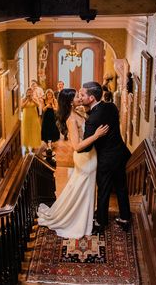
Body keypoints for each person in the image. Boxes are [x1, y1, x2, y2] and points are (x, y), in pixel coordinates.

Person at [37, 89, 109, 239]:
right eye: (77, 96)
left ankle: (85, 217)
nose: (80, 98)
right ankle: (77, 220)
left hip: (91, 155)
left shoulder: (79, 112)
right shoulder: (71, 119)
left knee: (83, 189)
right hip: (84, 157)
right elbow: (77, 146)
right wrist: (96, 135)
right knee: (81, 189)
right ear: (70, 101)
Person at [79, 81, 131, 233]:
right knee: (121, 187)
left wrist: (93, 134)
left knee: (104, 190)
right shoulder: (111, 106)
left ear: (91, 98)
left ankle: (101, 222)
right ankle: (125, 218)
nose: (80, 97)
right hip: (120, 153)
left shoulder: (92, 120)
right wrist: (87, 112)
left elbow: (86, 147)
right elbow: (103, 116)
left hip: (106, 159)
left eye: (82, 95)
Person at [21, 87, 41, 153]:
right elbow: (21, 107)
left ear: (32, 93)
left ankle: (32, 145)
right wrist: (27, 100)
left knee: (34, 131)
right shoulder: (23, 99)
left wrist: (33, 100)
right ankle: (26, 146)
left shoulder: (35, 98)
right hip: (26, 118)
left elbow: (38, 105)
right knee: (26, 131)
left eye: (31, 92)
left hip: (34, 117)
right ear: (26, 93)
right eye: (28, 92)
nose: (30, 93)